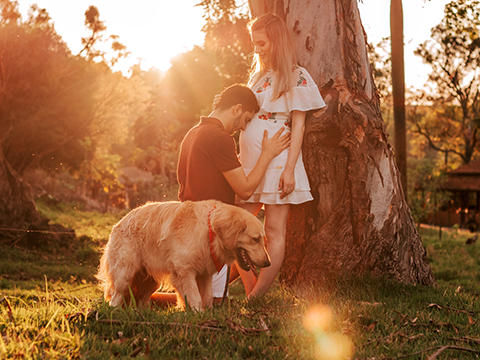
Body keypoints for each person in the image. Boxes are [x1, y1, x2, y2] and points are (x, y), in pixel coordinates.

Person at [150, 84, 290, 307]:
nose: (243, 127)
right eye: (245, 119)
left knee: (198, 289)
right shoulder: (219, 138)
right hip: (207, 229)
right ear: (236, 109)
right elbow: (244, 189)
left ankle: (151, 300)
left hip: (186, 224)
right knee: (213, 302)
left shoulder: (193, 133)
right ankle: (151, 302)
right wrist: (267, 154)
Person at [234, 13, 327, 298]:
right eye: (255, 43)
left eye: (261, 43)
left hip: (278, 160)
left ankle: (256, 297)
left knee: (274, 231)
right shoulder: (258, 76)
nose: (257, 49)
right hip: (249, 161)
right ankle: (250, 292)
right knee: (237, 227)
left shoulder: (297, 76)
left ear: (277, 41)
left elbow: (298, 125)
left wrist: (289, 169)